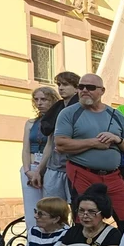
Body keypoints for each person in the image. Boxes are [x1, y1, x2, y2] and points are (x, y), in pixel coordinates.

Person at [55, 73, 124, 225]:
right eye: (81, 87)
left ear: (102, 91)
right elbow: (61, 144)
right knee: (85, 220)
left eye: (90, 87)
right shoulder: (68, 113)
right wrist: (94, 143)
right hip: (83, 173)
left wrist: (116, 139)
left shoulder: (116, 114)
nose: (84, 90)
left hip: (113, 176)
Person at [39, 71, 80, 201]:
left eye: (66, 84)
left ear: (76, 88)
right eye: (59, 84)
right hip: (55, 165)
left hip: (75, 165)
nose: (61, 88)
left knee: (76, 205)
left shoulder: (83, 108)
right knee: (51, 205)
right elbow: (50, 142)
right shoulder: (56, 108)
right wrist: (39, 170)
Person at [21, 86, 58, 228]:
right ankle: (32, 239)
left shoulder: (57, 121)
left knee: (49, 206)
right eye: (36, 99)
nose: (39, 103)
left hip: (49, 167)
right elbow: (25, 149)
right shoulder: (30, 123)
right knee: (31, 207)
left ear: (52, 100)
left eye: (44, 99)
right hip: (31, 166)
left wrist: (39, 171)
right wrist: (26, 170)